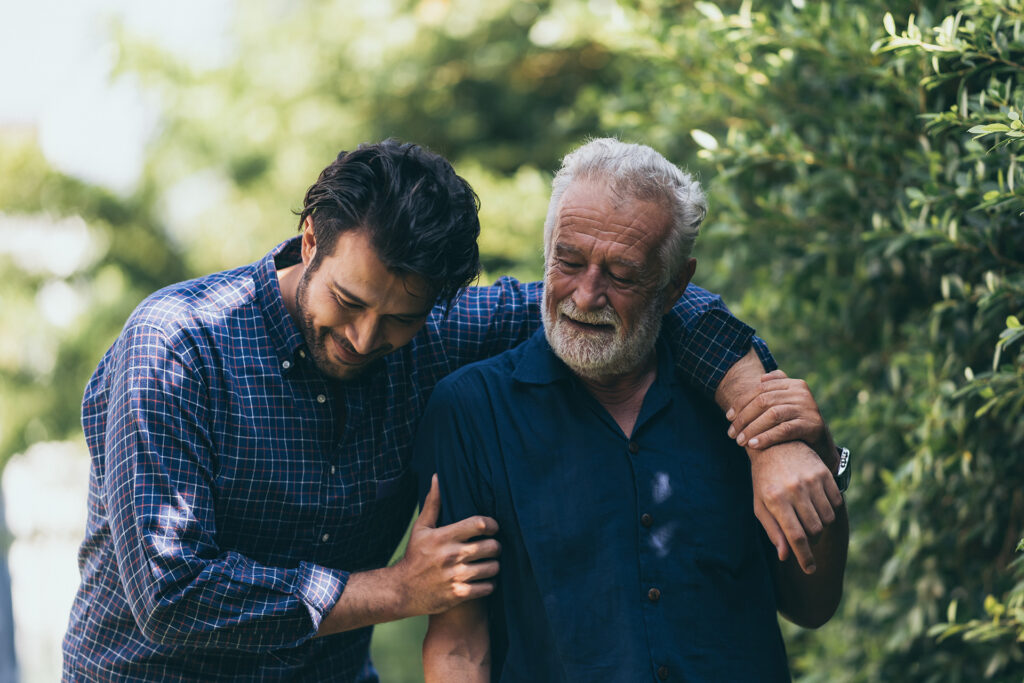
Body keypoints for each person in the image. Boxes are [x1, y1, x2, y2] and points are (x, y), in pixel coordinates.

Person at [62, 139, 839, 681]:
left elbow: (659, 303)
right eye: (348, 300)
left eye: (399, 318)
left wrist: (765, 425)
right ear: (309, 241)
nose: (366, 338)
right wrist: (401, 589)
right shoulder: (177, 348)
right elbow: (172, 593)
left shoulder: (436, 331)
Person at [414, 138, 850, 682]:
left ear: (675, 288)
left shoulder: (745, 399)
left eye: (621, 275)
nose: (586, 295)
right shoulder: (472, 410)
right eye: (568, 262)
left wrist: (821, 460)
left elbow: (811, 606)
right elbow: (459, 644)